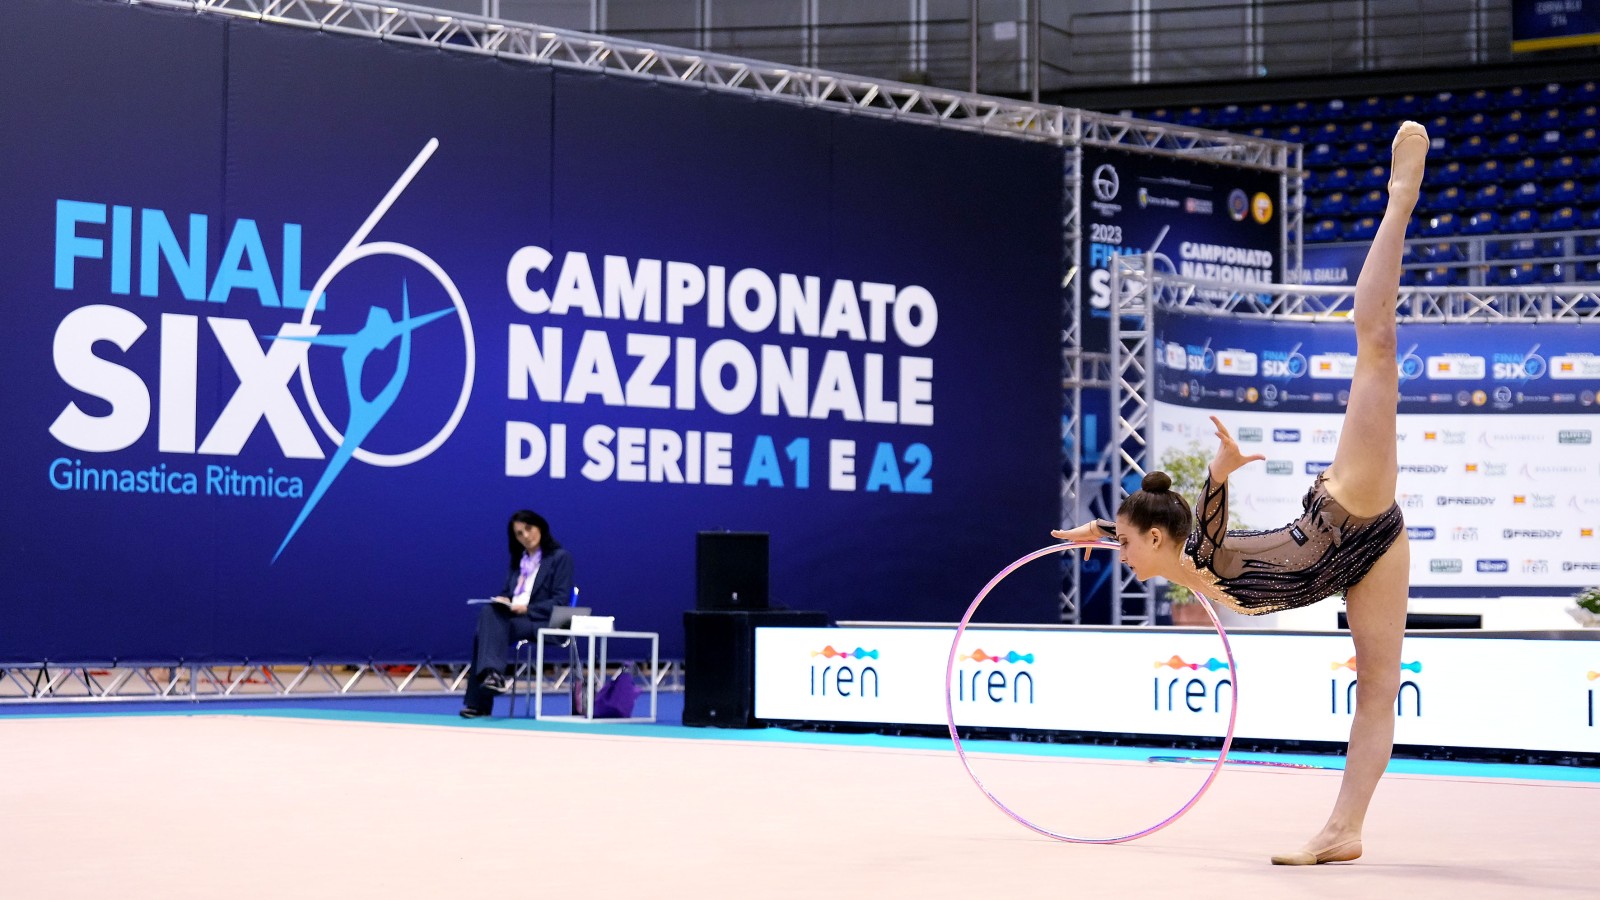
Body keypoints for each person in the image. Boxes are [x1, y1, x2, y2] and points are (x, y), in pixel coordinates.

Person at [1054, 120, 1429, 865]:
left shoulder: (1200, 553)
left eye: (1127, 546)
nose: (1122, 558)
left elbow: (1205, 531)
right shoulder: (1179, 553)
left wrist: (1219, 474)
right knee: (1378, 689)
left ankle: (1399, 198)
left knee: (1376, 347)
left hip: (1349, 512)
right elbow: (1161, 529)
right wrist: (1096, 531)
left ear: (1157, 539)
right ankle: (1344, 831)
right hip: (1369, 555)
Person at [460, 509, 575, 718]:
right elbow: (509, 592)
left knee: (485, 632)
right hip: (517, 619)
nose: (526, 536)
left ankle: (480, 702)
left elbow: (560, 601)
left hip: (546, 621)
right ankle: (492, 676)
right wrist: (504, 600)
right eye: (519, 533)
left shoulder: (560, 557)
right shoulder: (518, 562)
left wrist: (527, 608)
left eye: (529, 529)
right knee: (489, 612)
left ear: (540, 527)